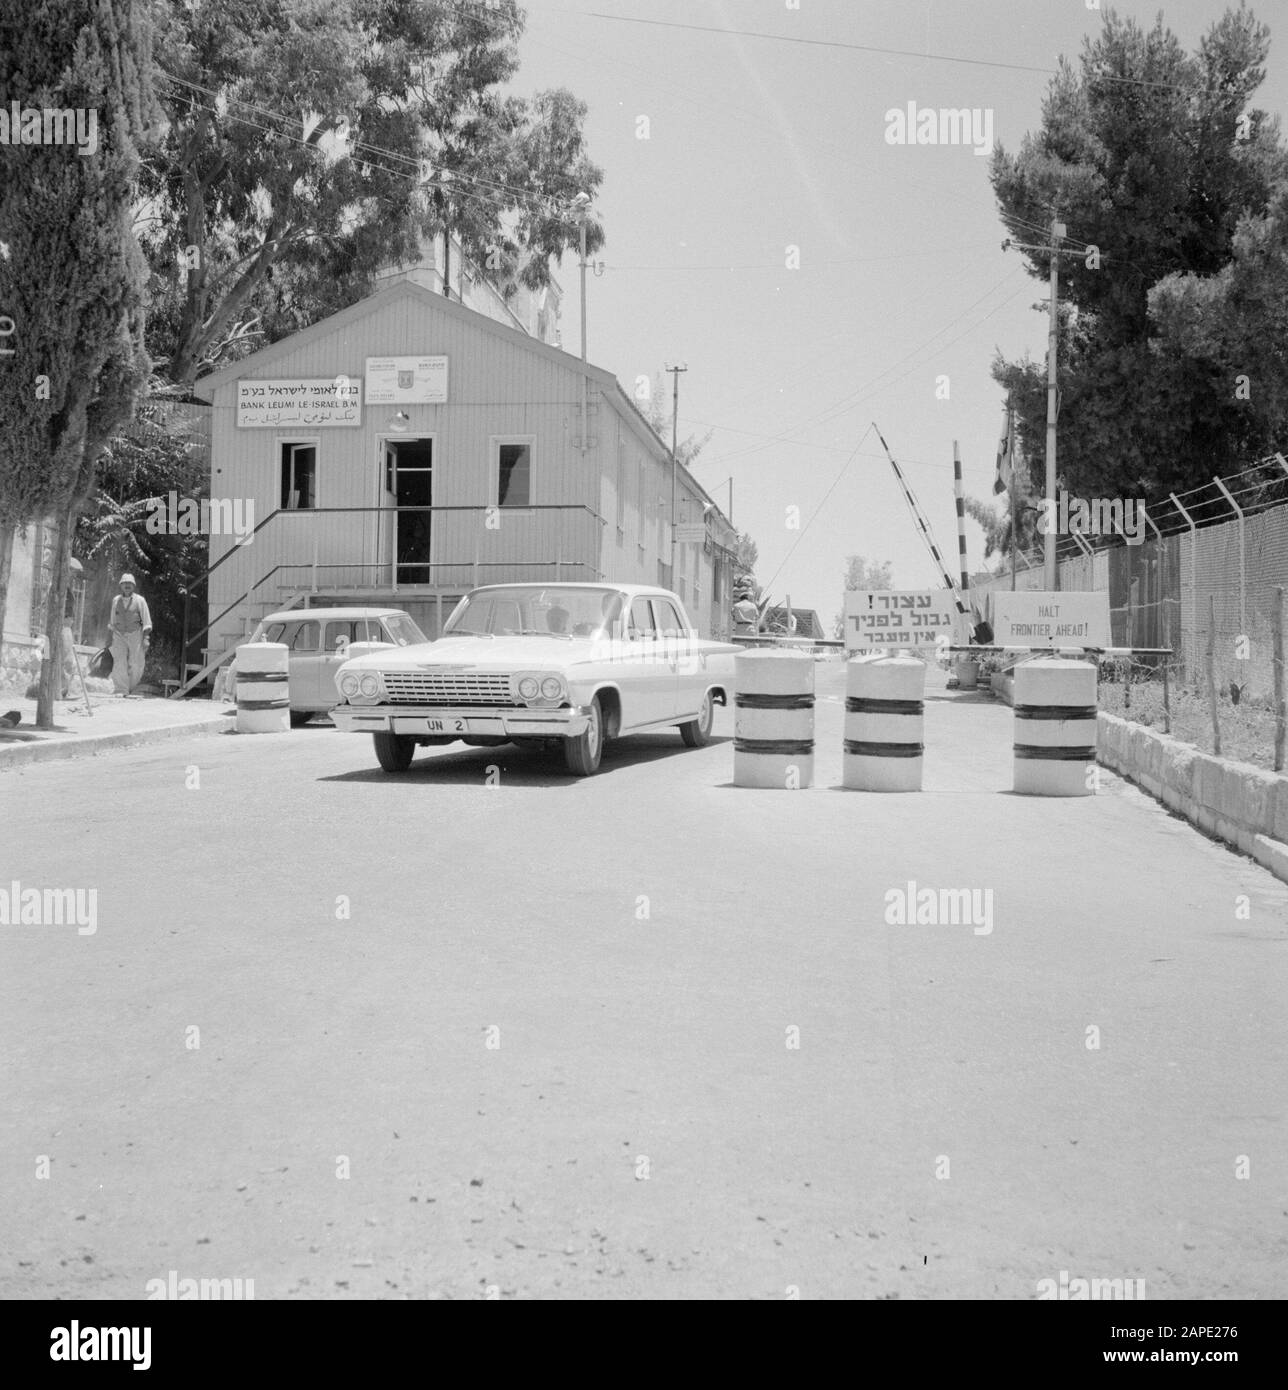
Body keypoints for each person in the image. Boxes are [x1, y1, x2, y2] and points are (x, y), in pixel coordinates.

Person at [109, 573, 152, 697]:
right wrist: (110, 637)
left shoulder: (140, 600)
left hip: (135, 634)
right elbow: (112, 620)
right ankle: (121, 689)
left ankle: (131, 687)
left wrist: (146, 638)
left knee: (136, 662)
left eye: (129, 584)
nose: (127, 586)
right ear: (121, 585)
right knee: (119, 661)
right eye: (124, 583)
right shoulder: (116, 600)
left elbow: (147, 621)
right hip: (119, 634)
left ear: (133, 586)